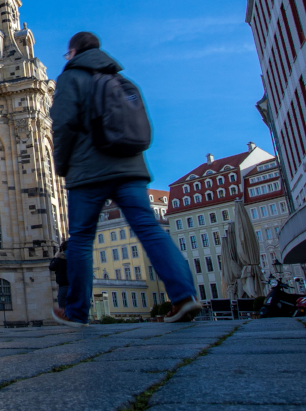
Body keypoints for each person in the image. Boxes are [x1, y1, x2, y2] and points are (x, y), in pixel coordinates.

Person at [50, 31, 201, 326]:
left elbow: (64, 123)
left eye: (68, 54)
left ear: (74, 52)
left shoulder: (72, 76)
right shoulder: (121, 79)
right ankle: (184, 297)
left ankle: (76, 312)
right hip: (130, 167)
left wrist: (62, 163)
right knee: (150, 230)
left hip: (88, 171)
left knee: (80, 240)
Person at [48, 240, 70, 309]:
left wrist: (55, 256)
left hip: (63, 287)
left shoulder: (59, 260)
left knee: (63, 309)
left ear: (61, 249)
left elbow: (51, 267)